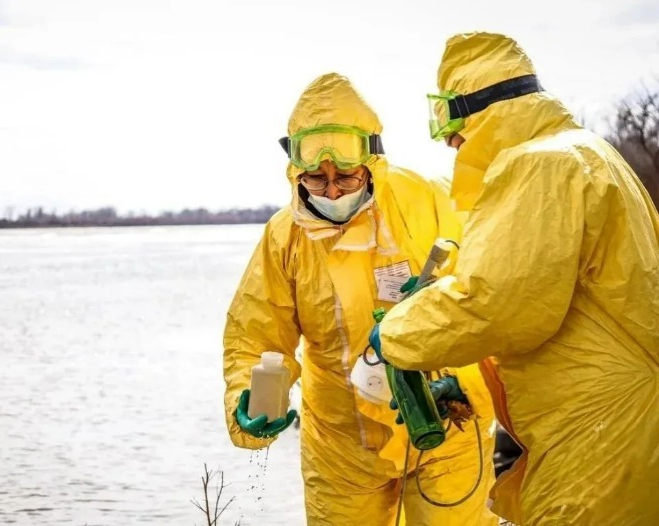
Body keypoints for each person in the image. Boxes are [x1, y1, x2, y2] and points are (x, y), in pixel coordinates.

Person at [375, 32, 659, 526]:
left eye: (451, 122)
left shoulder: (539, 165)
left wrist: (397, 333)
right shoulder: (586, 153)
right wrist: (470, 389)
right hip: (621, 422)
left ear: (482, 111)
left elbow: (496, 305)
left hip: (599, 437)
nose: (449, 141)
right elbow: (566, 313)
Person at [223, 72, 499, 525]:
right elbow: (256, 336)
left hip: (448, 423)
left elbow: (492, 298)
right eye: (317, 179)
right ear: (296, 172)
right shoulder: (284, 237)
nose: (332, 191)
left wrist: (466, 386)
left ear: (372, 162)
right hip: (341, 449)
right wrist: (247, 397)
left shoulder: (429, 200)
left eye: (346, 177)